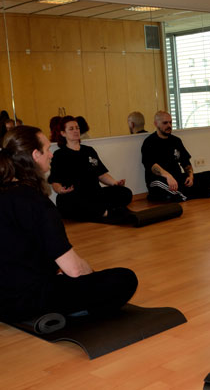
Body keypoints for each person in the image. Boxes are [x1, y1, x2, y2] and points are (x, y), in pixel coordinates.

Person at [0, 125, 137, 323]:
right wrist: (91, 275)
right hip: (29, 300)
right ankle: (78, 311)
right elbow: (73, 270)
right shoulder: (37, 203)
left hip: (4, 296)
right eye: (47, 150)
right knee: (125, 278)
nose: (51, 155)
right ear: (35, 155)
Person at [48, 116, 133, 223]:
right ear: (63, 133)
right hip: (74, 196)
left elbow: (101, 174)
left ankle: (100, 211)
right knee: (68, 203)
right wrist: (60, 190)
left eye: (77, 128)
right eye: (71, 129)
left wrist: (115, 183)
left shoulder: (89, 151)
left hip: (94, 194)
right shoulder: (59, 155)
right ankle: (105, 212)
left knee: (125, 193)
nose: (75, 131)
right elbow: (55, 181)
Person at [141, 111, 210, 202]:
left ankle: (184, 192)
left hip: (178, 178)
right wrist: (168, 176)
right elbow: (151, 165)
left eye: (170, 122)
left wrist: (190, 176)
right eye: (165, 123)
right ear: (156, 124)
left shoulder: (176, 141)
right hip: (160, 180)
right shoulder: (149, 142)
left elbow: (185, 161)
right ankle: (193, 193)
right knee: (160, 187)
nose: (169, 125)